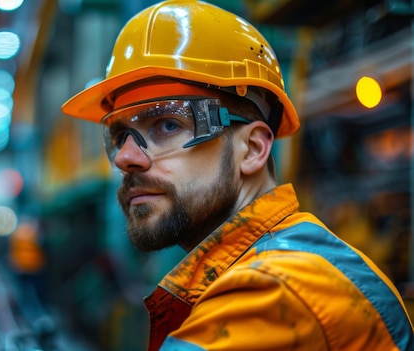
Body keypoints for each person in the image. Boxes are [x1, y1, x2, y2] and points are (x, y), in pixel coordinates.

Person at [61, 0, 414, 350]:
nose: (125, 157)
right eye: (120, 135)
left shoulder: (276, 292)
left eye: (168, 124)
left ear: (254, 149)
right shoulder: (267, 269)